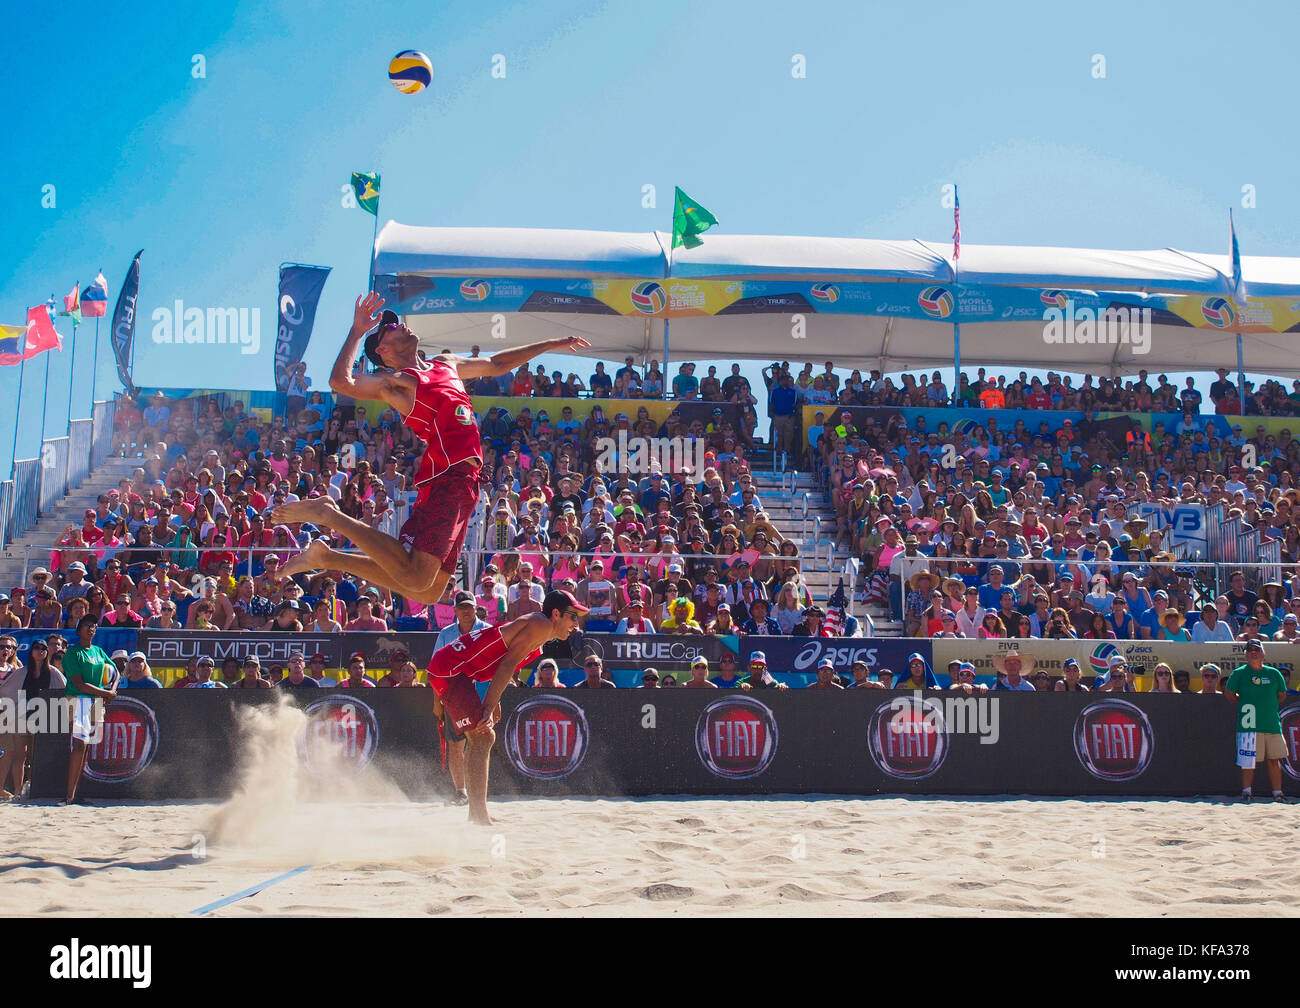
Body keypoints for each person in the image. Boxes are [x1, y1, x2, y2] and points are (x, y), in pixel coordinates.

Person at [274, 294, 589, 605]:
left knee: (427, 591)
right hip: (448, 475)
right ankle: (327, 514)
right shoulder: (398, 382)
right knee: (415, 578)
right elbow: (340, 382)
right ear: (383, 350)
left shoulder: (446, 363)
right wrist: (357, 331)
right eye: (391, 327)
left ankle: (326, 556)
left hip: (467, 482)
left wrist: (547, 344)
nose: (400, 325)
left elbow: (496, 363)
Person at [424, 590, 589, 824]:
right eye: (573, 616)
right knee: (482, 738)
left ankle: (476, 813)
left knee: (480, 739)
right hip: (449, 671)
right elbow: (506, 664)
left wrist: (495, 700)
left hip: (457, 671)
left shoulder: (540, 627)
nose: (576, 623)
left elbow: (499, 662)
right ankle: (478, 815)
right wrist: (488, 706)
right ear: (556, 614)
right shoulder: (541, 625)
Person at [433, 591, 493, 806]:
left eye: (469, 606)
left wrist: (497, 701)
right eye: (462, 607)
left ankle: (477, 791)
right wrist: (437, 701)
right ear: (455, 610)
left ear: (476, 608)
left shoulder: (488, 631)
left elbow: (500, 667)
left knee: (481, 743)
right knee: (456, 745)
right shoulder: (445, 634)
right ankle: (461, 792)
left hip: (483, 696)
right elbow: (435, 670)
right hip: (454, 698)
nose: (466, 611)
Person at [1223, 639, 1288, 803]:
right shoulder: (1239, 673)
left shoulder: (1273, 673)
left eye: (1256, 649)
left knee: (1274, 759)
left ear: (1263, 653)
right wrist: (1246, 704)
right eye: (1250, 649)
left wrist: (1265, 705)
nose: (1253, 652)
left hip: (1272, 724)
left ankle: (1278, 793)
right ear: (1245, 654)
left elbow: (1281, 695)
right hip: (1248, 724)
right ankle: (1247, 792)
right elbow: (1230, 694)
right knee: (1248, 761)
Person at [62, 615, 118, 805]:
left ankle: (77, 794)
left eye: (93, 626)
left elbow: (115, 670)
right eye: (86, 625)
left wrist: (112, 690)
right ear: (78, 630)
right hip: (79, 699)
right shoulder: (73, 653)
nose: (91, 628)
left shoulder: (98, 651)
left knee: (86, 748)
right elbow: (79, 684)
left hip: (96, 701)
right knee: (79, 745)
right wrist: (106, 693)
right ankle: (69, 795)